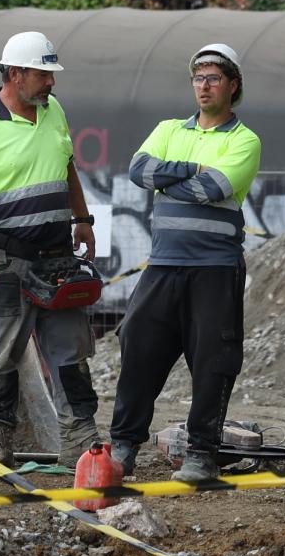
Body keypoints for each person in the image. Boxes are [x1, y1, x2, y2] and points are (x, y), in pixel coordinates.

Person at [107, 42, 261, 483]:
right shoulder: (168, 128)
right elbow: (139, 170)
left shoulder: (244, 140)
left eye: (214, 78)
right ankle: (123, 445)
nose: (204, 85)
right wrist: (194, 172)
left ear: (233, 86)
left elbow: (210, 190)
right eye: (198, 77)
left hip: (215, 270)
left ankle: (201, 453)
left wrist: (172, 176)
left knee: (214, 359)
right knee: (137, 343)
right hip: (164, 264)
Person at [0, 30, 101, 465]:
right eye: (43, 74)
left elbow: (67, 167)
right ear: (15, 74)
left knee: (71, 353)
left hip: (57, 259)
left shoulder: (53, 113)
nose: (51, 83)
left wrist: (83, 219)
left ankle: (81, 441)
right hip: (5, 262)